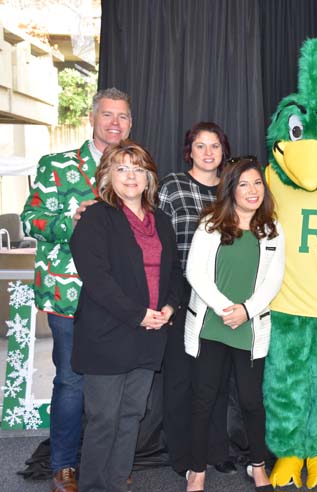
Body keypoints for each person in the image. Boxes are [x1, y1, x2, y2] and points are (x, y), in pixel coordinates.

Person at [21, 87, 132, 492]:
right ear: (92, 118)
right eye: (107, 115)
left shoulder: (133, 168)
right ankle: (64, 465)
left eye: (122, 116)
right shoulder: (57, 165)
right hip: (70, 295)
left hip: (120, 298)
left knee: (117, 382)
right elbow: (30, 220)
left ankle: (107, 461)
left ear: (130, 123)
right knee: (71, 381)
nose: (115, 123)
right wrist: (72, 221)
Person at [70, 140, 181, 492]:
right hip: (107, 335)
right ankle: (93, 486)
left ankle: (117, 483)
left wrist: (169, 307)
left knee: (132, 415)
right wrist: (138, 315)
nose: (130, 176)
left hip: (149, 334)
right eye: (121, 168)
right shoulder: (95, 219)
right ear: (107, 176)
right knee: (104, 419)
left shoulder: (161, 220)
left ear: (149, 178)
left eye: (138, 169)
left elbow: (174, 272)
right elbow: (97, 280)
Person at [184, 157, 285, 492]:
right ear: (231, 189)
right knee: (203, 400)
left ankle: (258, 466)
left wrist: (246, 310)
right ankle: (196, 471)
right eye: (243, 184)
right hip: (212, 324)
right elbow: (194, 272)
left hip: (249, 326)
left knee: (252, 402)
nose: (252, 190)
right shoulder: (211, 223)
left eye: (257, 183)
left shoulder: (272, 228)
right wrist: (227, 308)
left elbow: (273, 280)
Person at [158, 121, 237, 477]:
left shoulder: (232, 189)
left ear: (224, 151)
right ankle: (182, 455)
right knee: (180, 378)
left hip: (223, 295)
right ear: (189, 150)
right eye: (200, 146)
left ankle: (215, 449)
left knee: (216, 378)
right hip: (183, 291)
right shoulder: (173, 185)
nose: (208, 153)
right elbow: (159, 239)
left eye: (215, 146)